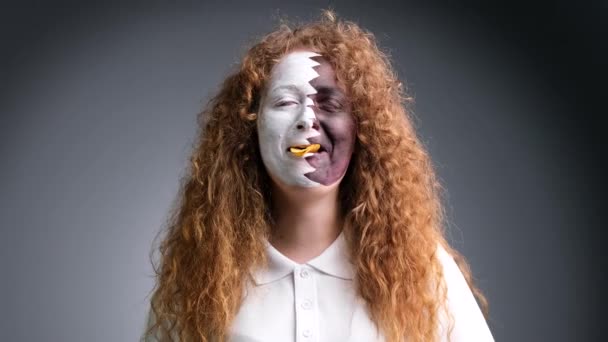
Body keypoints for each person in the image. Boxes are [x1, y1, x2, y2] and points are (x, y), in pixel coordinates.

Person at [142, 10, 495, 342]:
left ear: (363, 130)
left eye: (330, 104)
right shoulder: (201, 272)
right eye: (284, 102)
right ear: (249, 127)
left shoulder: (420, 267)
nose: (307, 120)